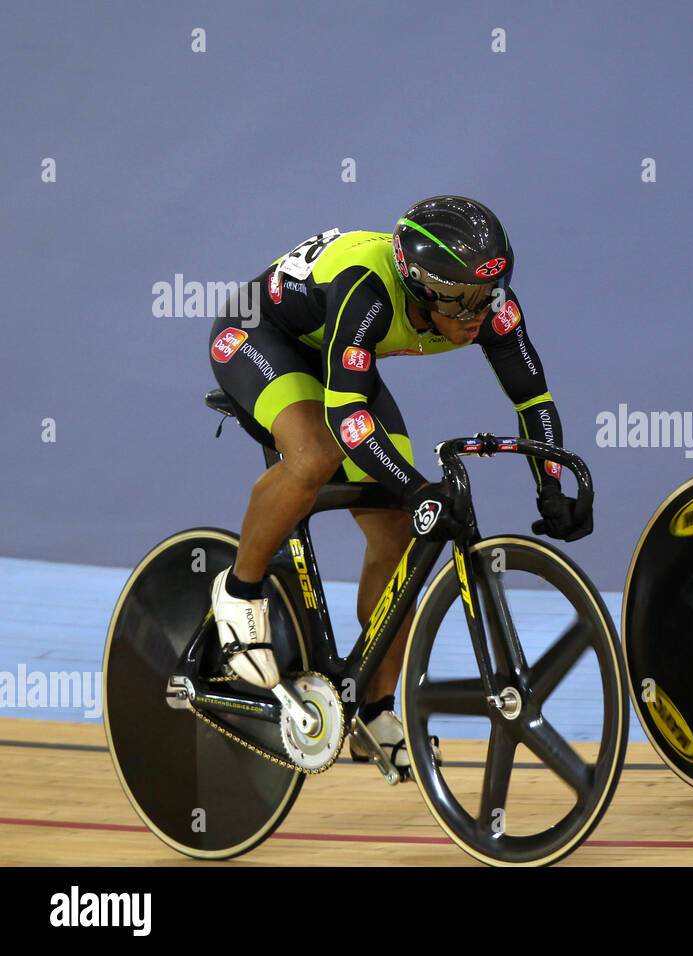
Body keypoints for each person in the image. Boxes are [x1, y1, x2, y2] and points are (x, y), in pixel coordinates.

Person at [207, 195, 590, 768]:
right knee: (314, 457)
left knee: (400, 538)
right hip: (256, 336)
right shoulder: (368, 288)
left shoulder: (487, 305)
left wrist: (551, 484)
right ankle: (238, 593)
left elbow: (532, 398)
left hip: (336, 354)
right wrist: (417, 489)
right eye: (463, 304)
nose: (480, 316)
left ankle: (373, 706)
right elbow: (348, 419)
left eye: (488, 297)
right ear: (422, 288)